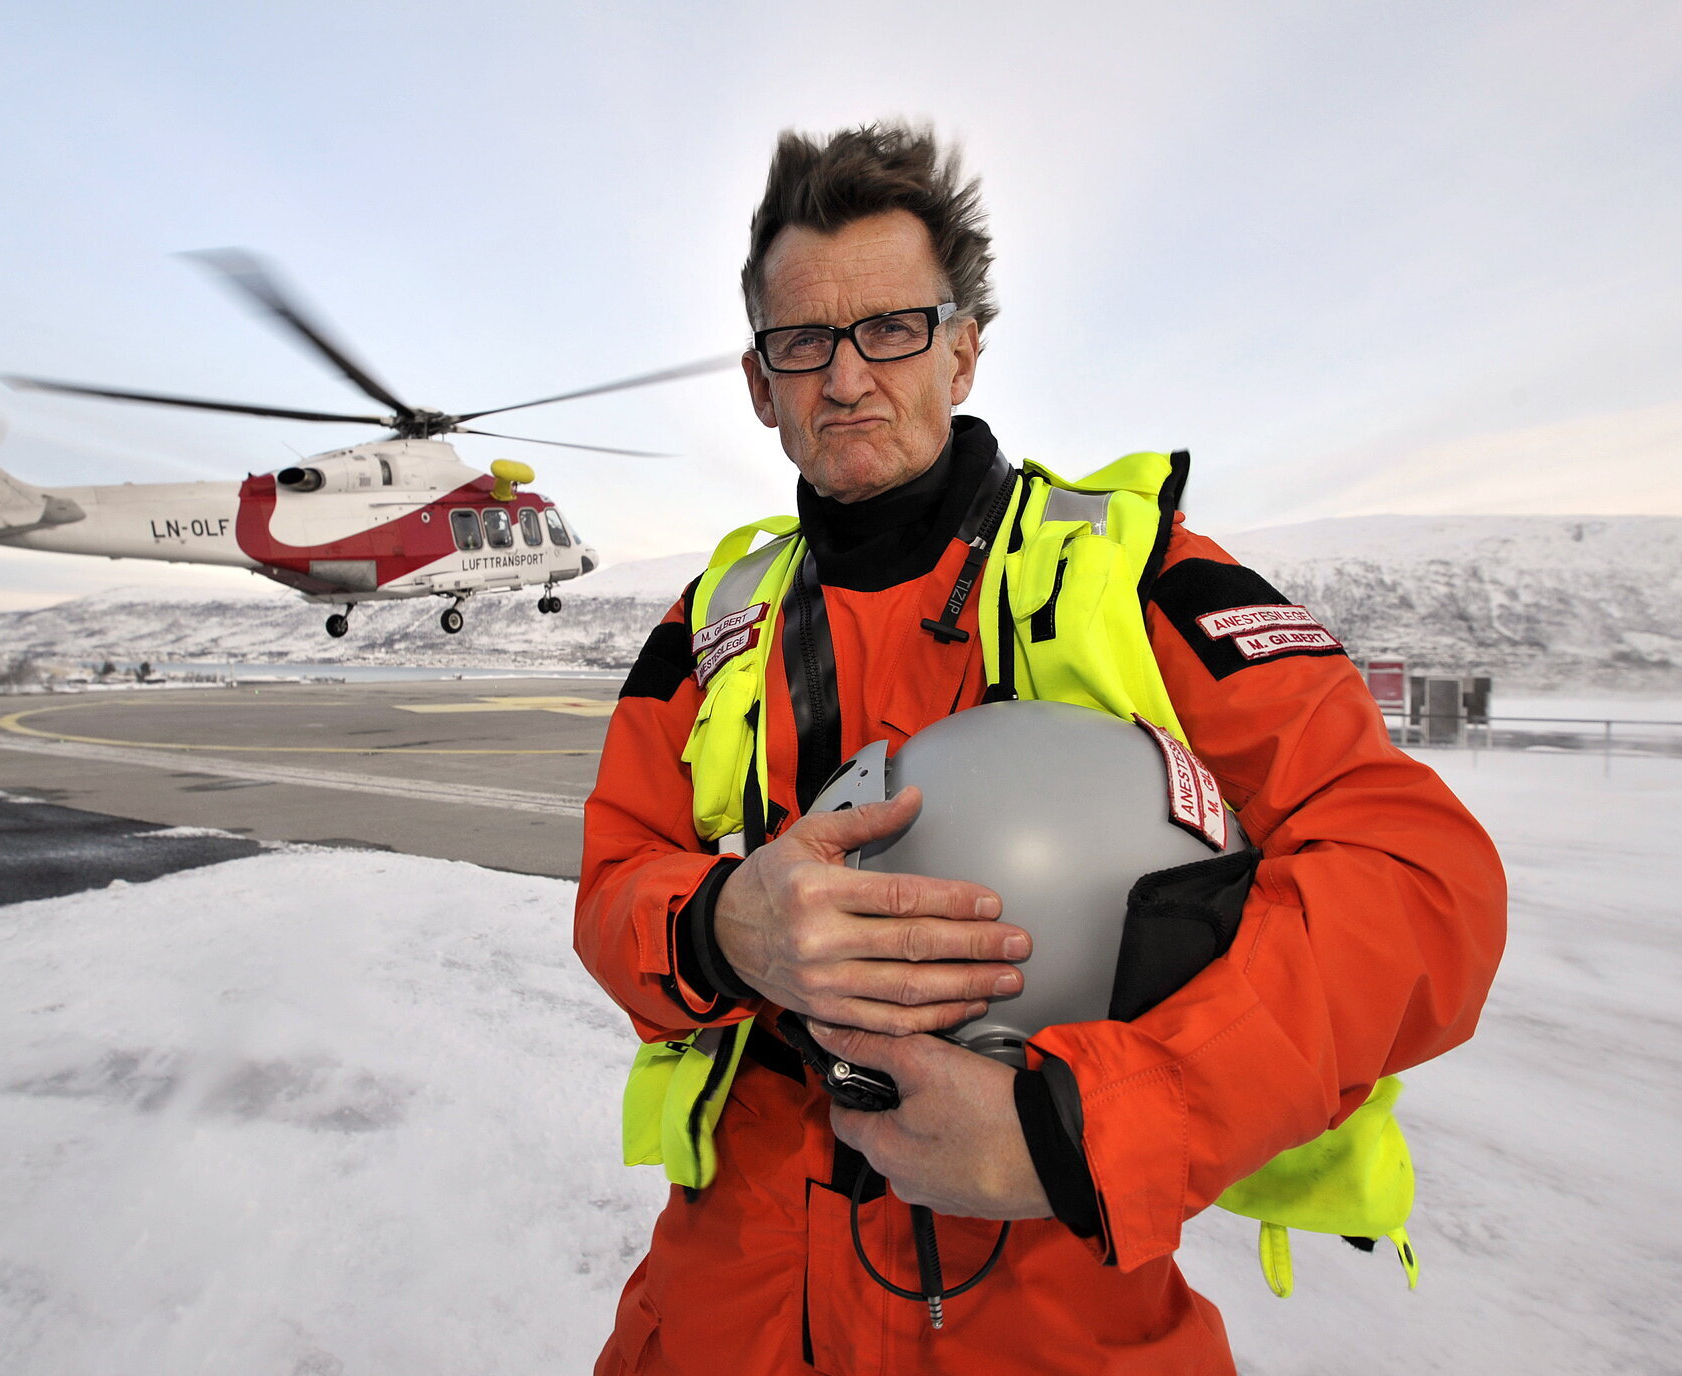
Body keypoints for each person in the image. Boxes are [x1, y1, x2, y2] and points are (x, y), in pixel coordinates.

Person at [574, 123, 1506, 1375]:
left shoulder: (1129, 568)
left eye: (891, 328)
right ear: (761, 384)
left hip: (1044, 1315)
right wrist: (719, 922)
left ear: (962, 347)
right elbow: (613, 881)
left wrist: (1090, 1121)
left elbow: (1417, 879)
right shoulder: (709, 623)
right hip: (723, 1306)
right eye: (802, 343)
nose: (846, 378)